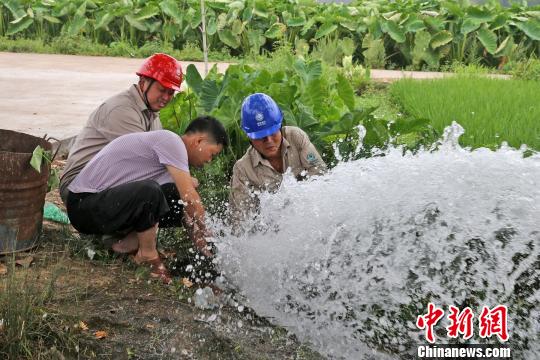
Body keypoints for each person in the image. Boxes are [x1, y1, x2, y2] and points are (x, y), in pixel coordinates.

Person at [66, 116, 228, 284]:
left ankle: (127, 244)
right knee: (151, 192)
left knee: (172, 193)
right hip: (82, 205)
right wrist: (208, 230)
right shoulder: (171, 141)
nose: (210, 161)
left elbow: (184, 205)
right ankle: (147, 255)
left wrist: (201, 242)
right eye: (212, 154)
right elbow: (190, 198)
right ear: (199, 141)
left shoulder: (170, 162)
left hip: (102, 205)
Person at [59, 53, 182, 204]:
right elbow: (142, 163)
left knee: (172, 190)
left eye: (171, 92)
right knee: (152, 189)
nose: (166, 97)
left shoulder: (151, 114)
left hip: (101, 181)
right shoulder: (122, 110)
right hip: (77, 188)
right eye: (162, 90)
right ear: (143, 83)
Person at [229, 93, 327, 220]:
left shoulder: (296, 137)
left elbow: (319, 173)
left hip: (309, 212)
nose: (269, 140)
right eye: (261, 136)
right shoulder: (243, 169)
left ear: (280, 127)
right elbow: (241, 218)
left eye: (272, 132)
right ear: (249, 137)